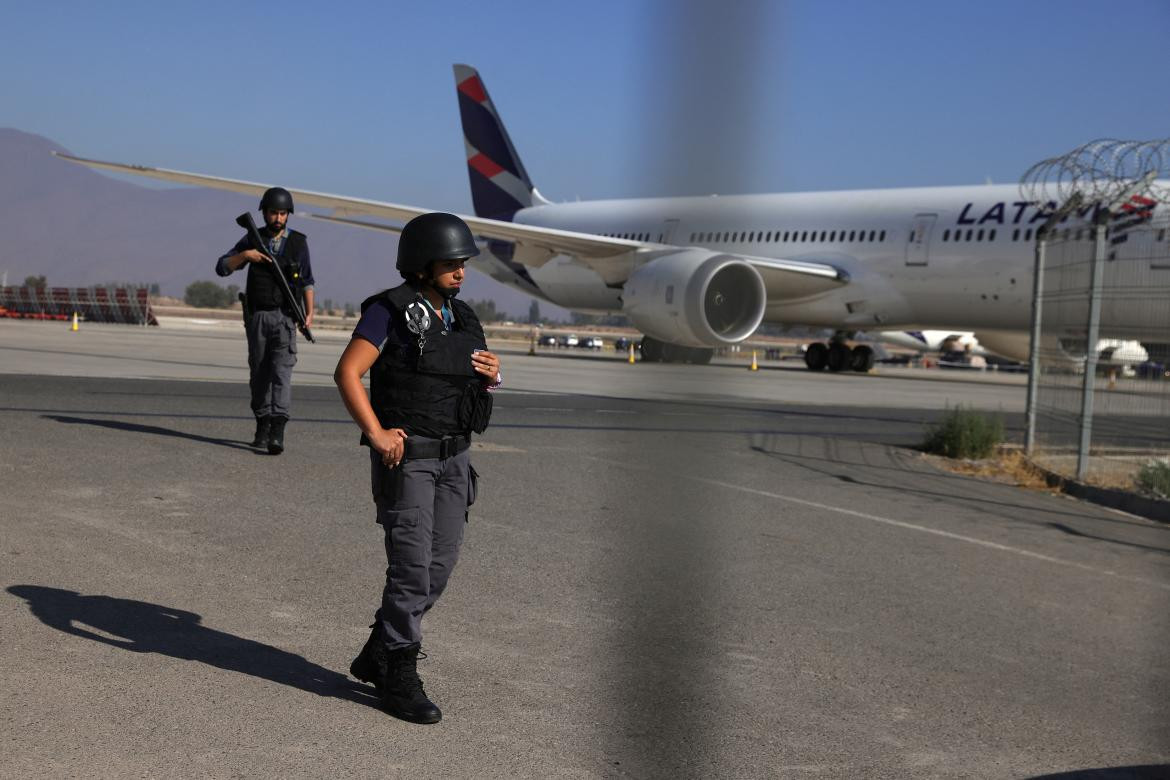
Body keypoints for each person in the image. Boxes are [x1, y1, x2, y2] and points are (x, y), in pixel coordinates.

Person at [333, 212, 501, 724]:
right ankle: (400, 671)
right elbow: (348, 371)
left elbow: (464, 380)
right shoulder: (390, 310)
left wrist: (492, 376)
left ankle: (377, 651)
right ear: (421, 264)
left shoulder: (463, 316)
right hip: (409, 461)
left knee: (439, 568)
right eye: (451, 263)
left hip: (456, 458)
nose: (461, 272)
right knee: (409, 570)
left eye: (463, 263)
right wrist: (377, 433)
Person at [216, 187, 315, 454]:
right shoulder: (252, 238)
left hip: (285, 318)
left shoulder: (298, 243)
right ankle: (262, 425)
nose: (278, 218)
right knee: (259, 374)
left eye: (283, 213)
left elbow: (307, 281)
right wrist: (245, 256)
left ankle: (277, 433)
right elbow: (222, 266)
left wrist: (309, 313)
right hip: (258, 317)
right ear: (265, 213)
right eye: (274, 213)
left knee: (282, 374)